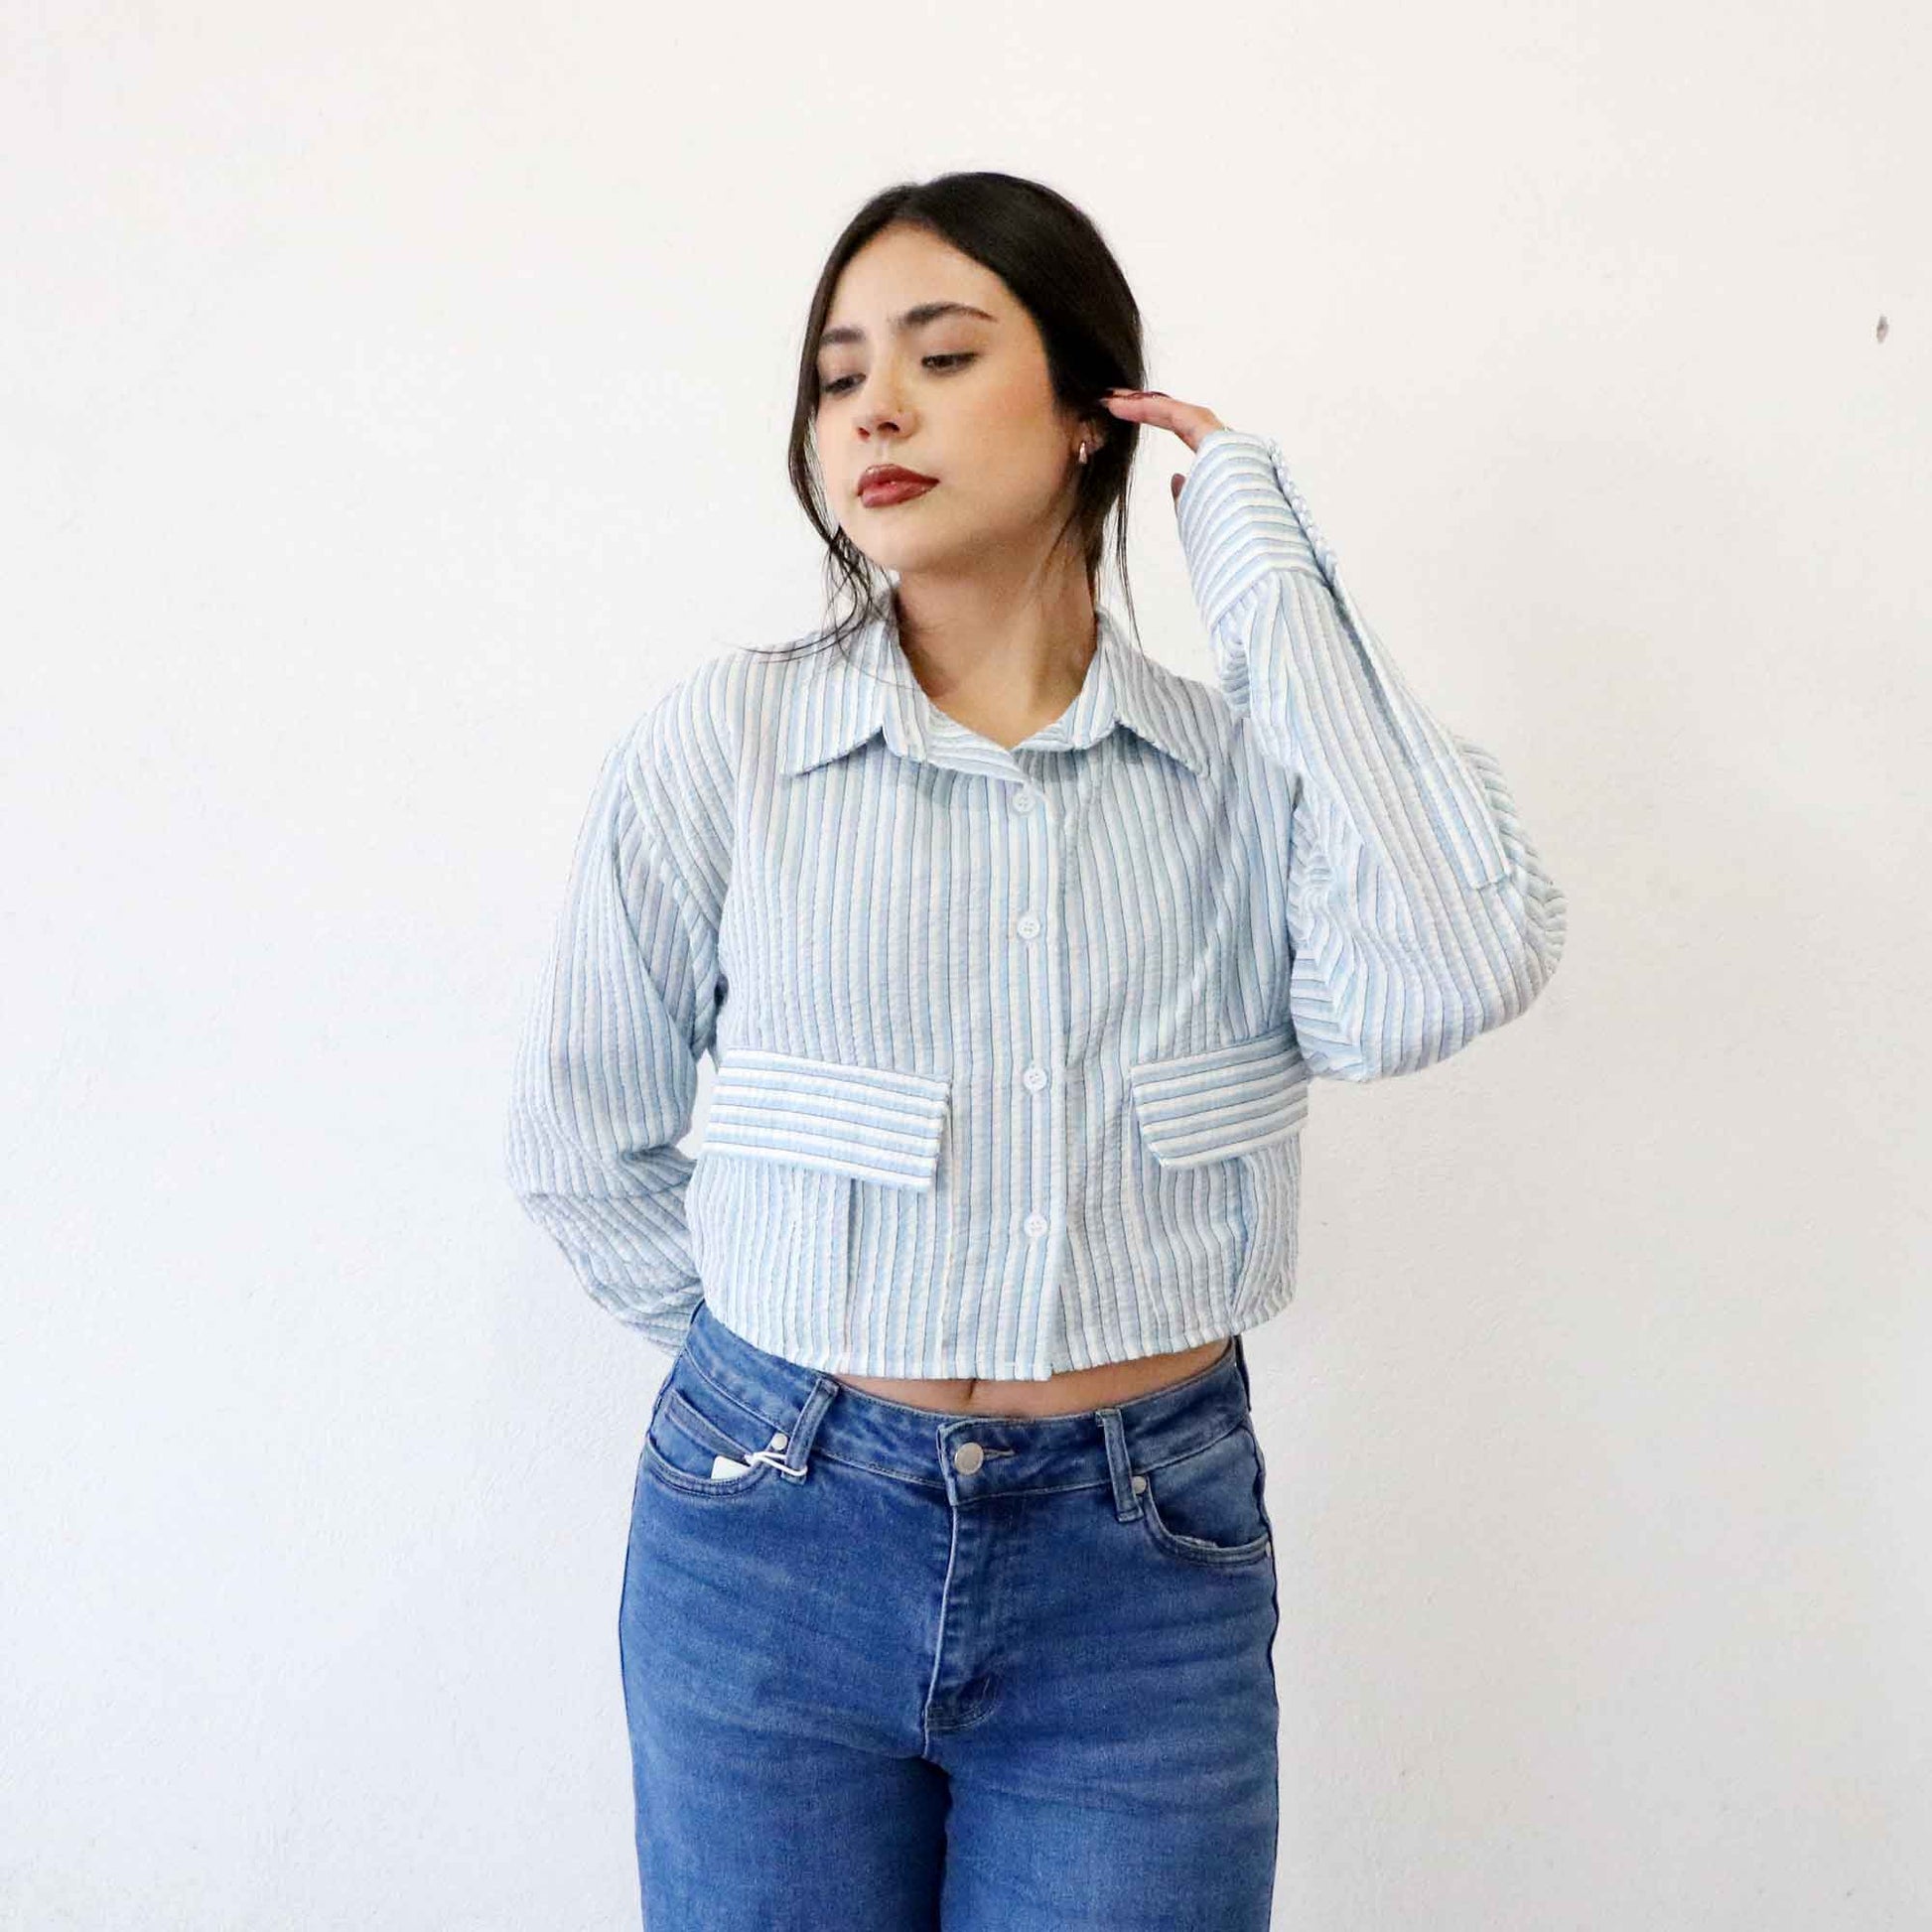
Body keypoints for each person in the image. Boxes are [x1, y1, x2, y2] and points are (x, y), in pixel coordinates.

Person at [503, 170, 1566, 1931]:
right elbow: (579, 1140)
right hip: (765, 1546)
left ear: (1090, 411)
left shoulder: (1237, 775)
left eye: (939, 356)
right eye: (837, 375)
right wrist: (789, 1387)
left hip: (1140, 1568)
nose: (876, 409)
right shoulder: (725, 746)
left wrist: (1256, 556)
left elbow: (1449, 963)